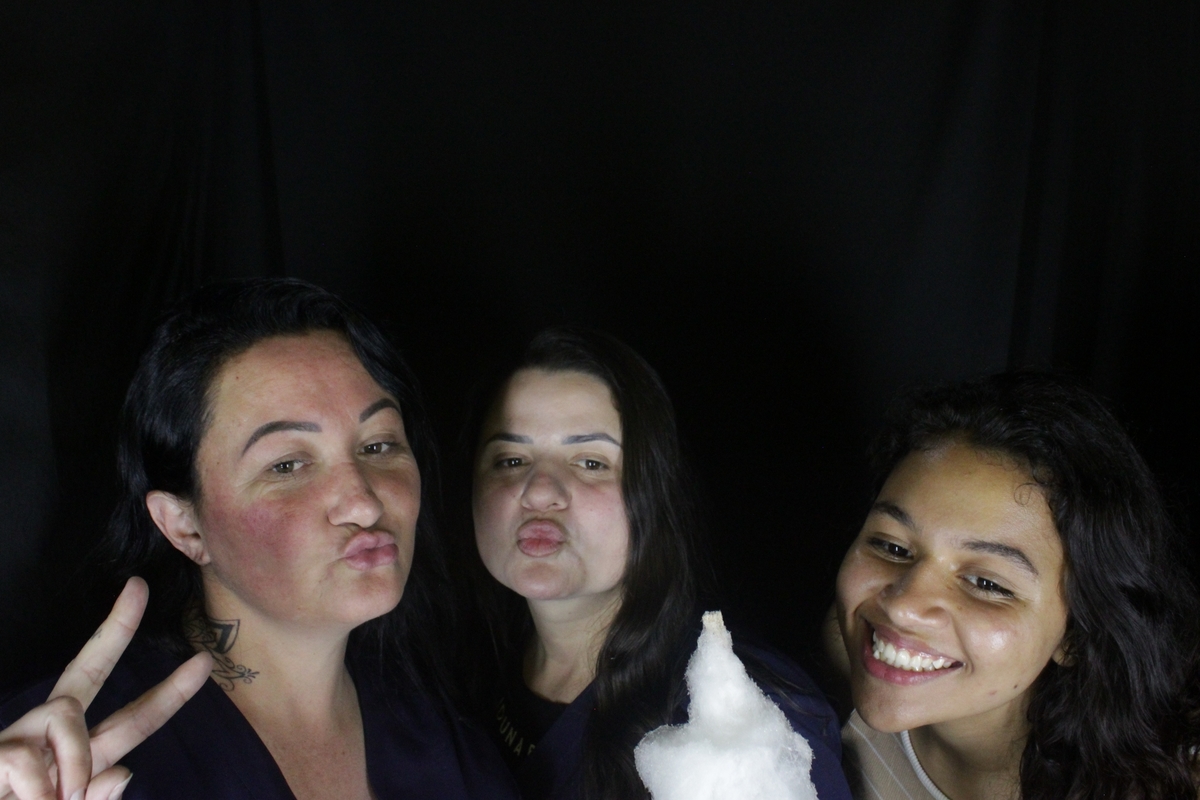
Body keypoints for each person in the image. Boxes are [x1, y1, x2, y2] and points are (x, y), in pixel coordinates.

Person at [0, 278, 517, 800]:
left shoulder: (451, 742)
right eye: (287, 465)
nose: (364, 503)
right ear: (183, 525)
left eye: (379, 445)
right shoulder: (56, 763)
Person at [457, 327, 852, 800]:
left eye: (591, 463)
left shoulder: (745, 715)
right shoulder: (452, 669)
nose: (539, 492)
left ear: (654, 493)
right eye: (510, 459)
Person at [835, 371, 1200, 799]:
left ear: (1077, 636)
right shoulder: (839, 659)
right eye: (892, 547)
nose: (902, 607)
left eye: (986, 583)